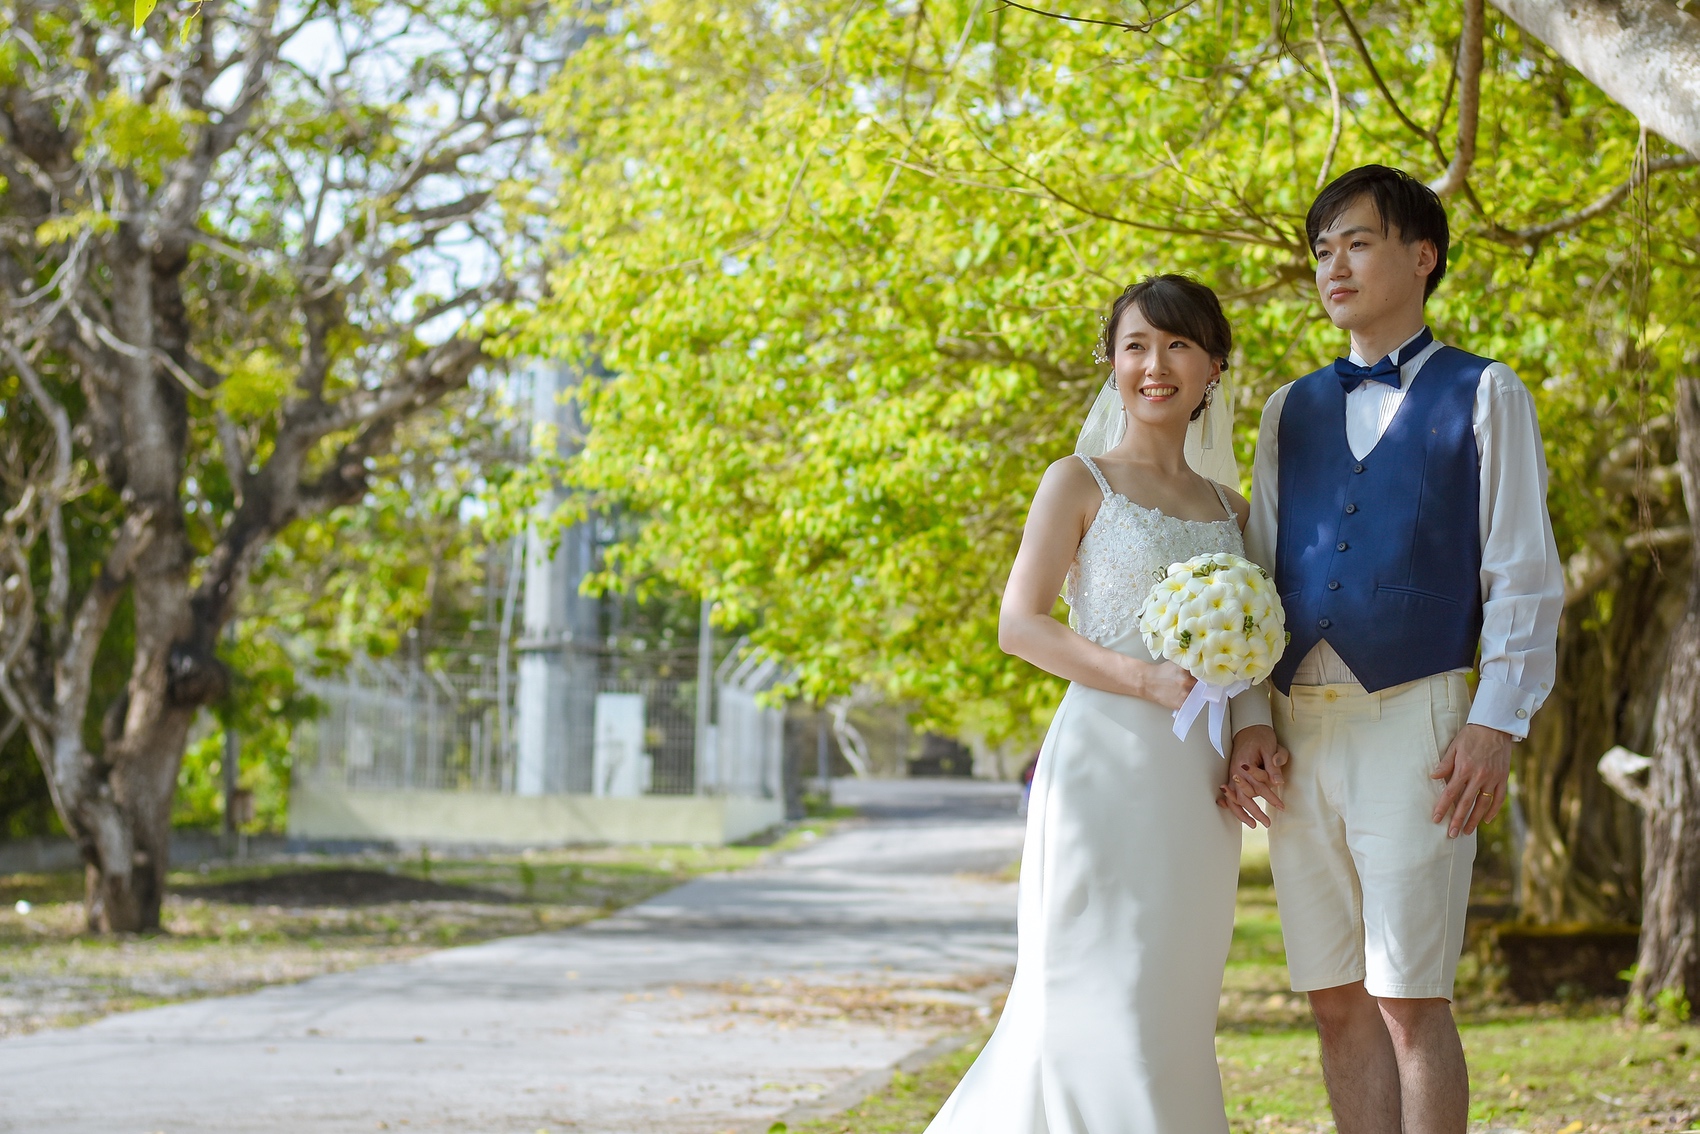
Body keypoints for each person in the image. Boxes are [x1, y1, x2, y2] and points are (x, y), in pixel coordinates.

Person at [1225, 165, 1565, 1134]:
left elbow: (1522, 573)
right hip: (1296, 731)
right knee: (1334, 1001)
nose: (1332, 265)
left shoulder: (1485, 391)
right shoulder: (1286, 410)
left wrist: (1495, 723)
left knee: (1410, 1001)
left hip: (1419, 723)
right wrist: (1248, 719)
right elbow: (1254, 583)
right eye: (1321, 249)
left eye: (1357, 242)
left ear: (1422, 257)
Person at [926, 274, 1265, 1133]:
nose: (1156, 365)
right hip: (1102, 767)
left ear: (1214, 367)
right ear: (1111, 363)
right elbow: (1020, 625)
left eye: (1179, 345)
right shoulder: (1077, 481)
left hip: (1199, 786)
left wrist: (1252, 734)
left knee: (1172, 992)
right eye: (1136, 346)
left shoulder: (1235, 511)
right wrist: (1141, 678)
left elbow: (1256, 659)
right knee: (1091, 982)